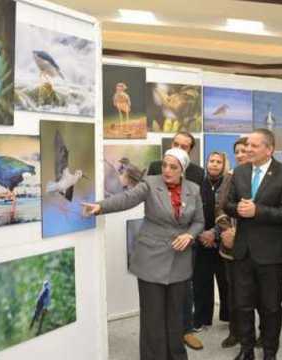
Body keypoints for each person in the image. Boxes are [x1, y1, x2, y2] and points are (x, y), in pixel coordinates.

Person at [83, 148, 204, 360]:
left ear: (182, 170)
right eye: (164, 165)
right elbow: (127, 198)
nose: (166, 170)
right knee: (153, 317)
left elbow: (199, 221)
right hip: (151, 260)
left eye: (173, 167)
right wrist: (100, 207)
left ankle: (176, 355)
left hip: (180, 261)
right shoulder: (150, 183)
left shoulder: (193, 189)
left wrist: (190, 236)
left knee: (176, 316)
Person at [224, 129, 282, 360]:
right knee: (242, 305)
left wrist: (258, 211)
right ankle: (246, 350)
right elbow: (227, 203)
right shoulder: (240, 172)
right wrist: (238, 209)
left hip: (270, 253)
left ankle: (269, 352)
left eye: (254, 146)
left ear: (269, 148)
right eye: (247, 145)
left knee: (271, 308)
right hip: (243, 251)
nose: (247, 150)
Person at [147, 131, 205, 350]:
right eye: (176, 143)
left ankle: (186, 329)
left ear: (190, 150)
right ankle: (162, 331)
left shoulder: (198, 173)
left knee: (185, 286)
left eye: (185, 146)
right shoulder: (155, 166)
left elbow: (201, 207)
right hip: (159, 239)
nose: (180, 147)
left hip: (185, 240)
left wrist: (193, 234)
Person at [214, 137, 248, 348]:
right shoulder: (230, 177)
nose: (241, 154)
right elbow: (219, 206)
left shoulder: (263, 178)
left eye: (245, 150)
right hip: (231, 247)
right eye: (238, 151)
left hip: (257, 246)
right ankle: (235, 332)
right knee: (234, 292)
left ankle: (261, 333)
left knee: (261, 294)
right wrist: (227, 230)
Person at [193, 151, 229, 332]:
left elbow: (229, 214)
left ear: (224, 165)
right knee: (201, 282)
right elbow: (191, 212)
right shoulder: (198, 185)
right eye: (211, 161)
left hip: (223, 241)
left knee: (226, 282)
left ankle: (229, 317)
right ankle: (201, 319)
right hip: (201, 241)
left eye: (218, 162)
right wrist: (202, 234)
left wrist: (215, 234)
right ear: (206, 164)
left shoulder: (230, 184)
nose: (214, 164)